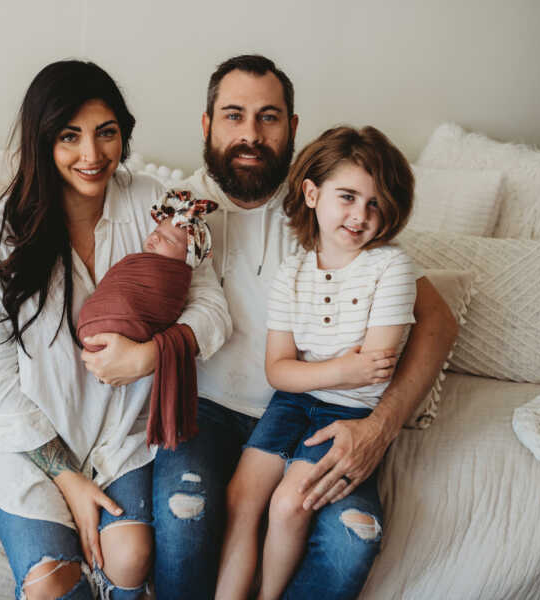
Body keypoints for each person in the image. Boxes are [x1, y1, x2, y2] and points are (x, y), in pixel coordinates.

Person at [151, 55, 458, 600]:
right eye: (233, 115)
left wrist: (380, 426)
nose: (250, 134)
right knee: (183, 515)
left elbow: (437, 318)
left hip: (324, 408)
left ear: (292, 128)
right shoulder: (173, 210)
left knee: (352, 541)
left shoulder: (326, 209)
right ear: (206, 125)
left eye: (268, 117)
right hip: (204, 412)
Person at [0, 60, 230, 600]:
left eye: (107, 133)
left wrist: (151, 355)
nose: (92, 154)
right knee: (51, 582)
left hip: (120, 434)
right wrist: (67, 479)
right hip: (28, 441)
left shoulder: (156, 204)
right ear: (41, 140)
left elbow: (212, 310)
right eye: (70, 136)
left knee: (130, 558)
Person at [214, 126, 416, 600]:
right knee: (242, 497)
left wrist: (324, 372)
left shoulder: (390, 267)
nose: (360, 215)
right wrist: (340, 369)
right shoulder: (294, 271)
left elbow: (375, 373)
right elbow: (278, 371)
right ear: (312, 192)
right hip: (291, 403)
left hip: (347, 413)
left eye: (375, 203)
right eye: (347, 196)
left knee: (289, 503)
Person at [76, 190, 218, 449]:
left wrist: (150, 354)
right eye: (156, 232)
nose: (154, 237)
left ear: (188, 256)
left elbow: (213, 314)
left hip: (129, 424)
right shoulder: (139, 258)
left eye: (167, 240)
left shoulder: (177, 275)